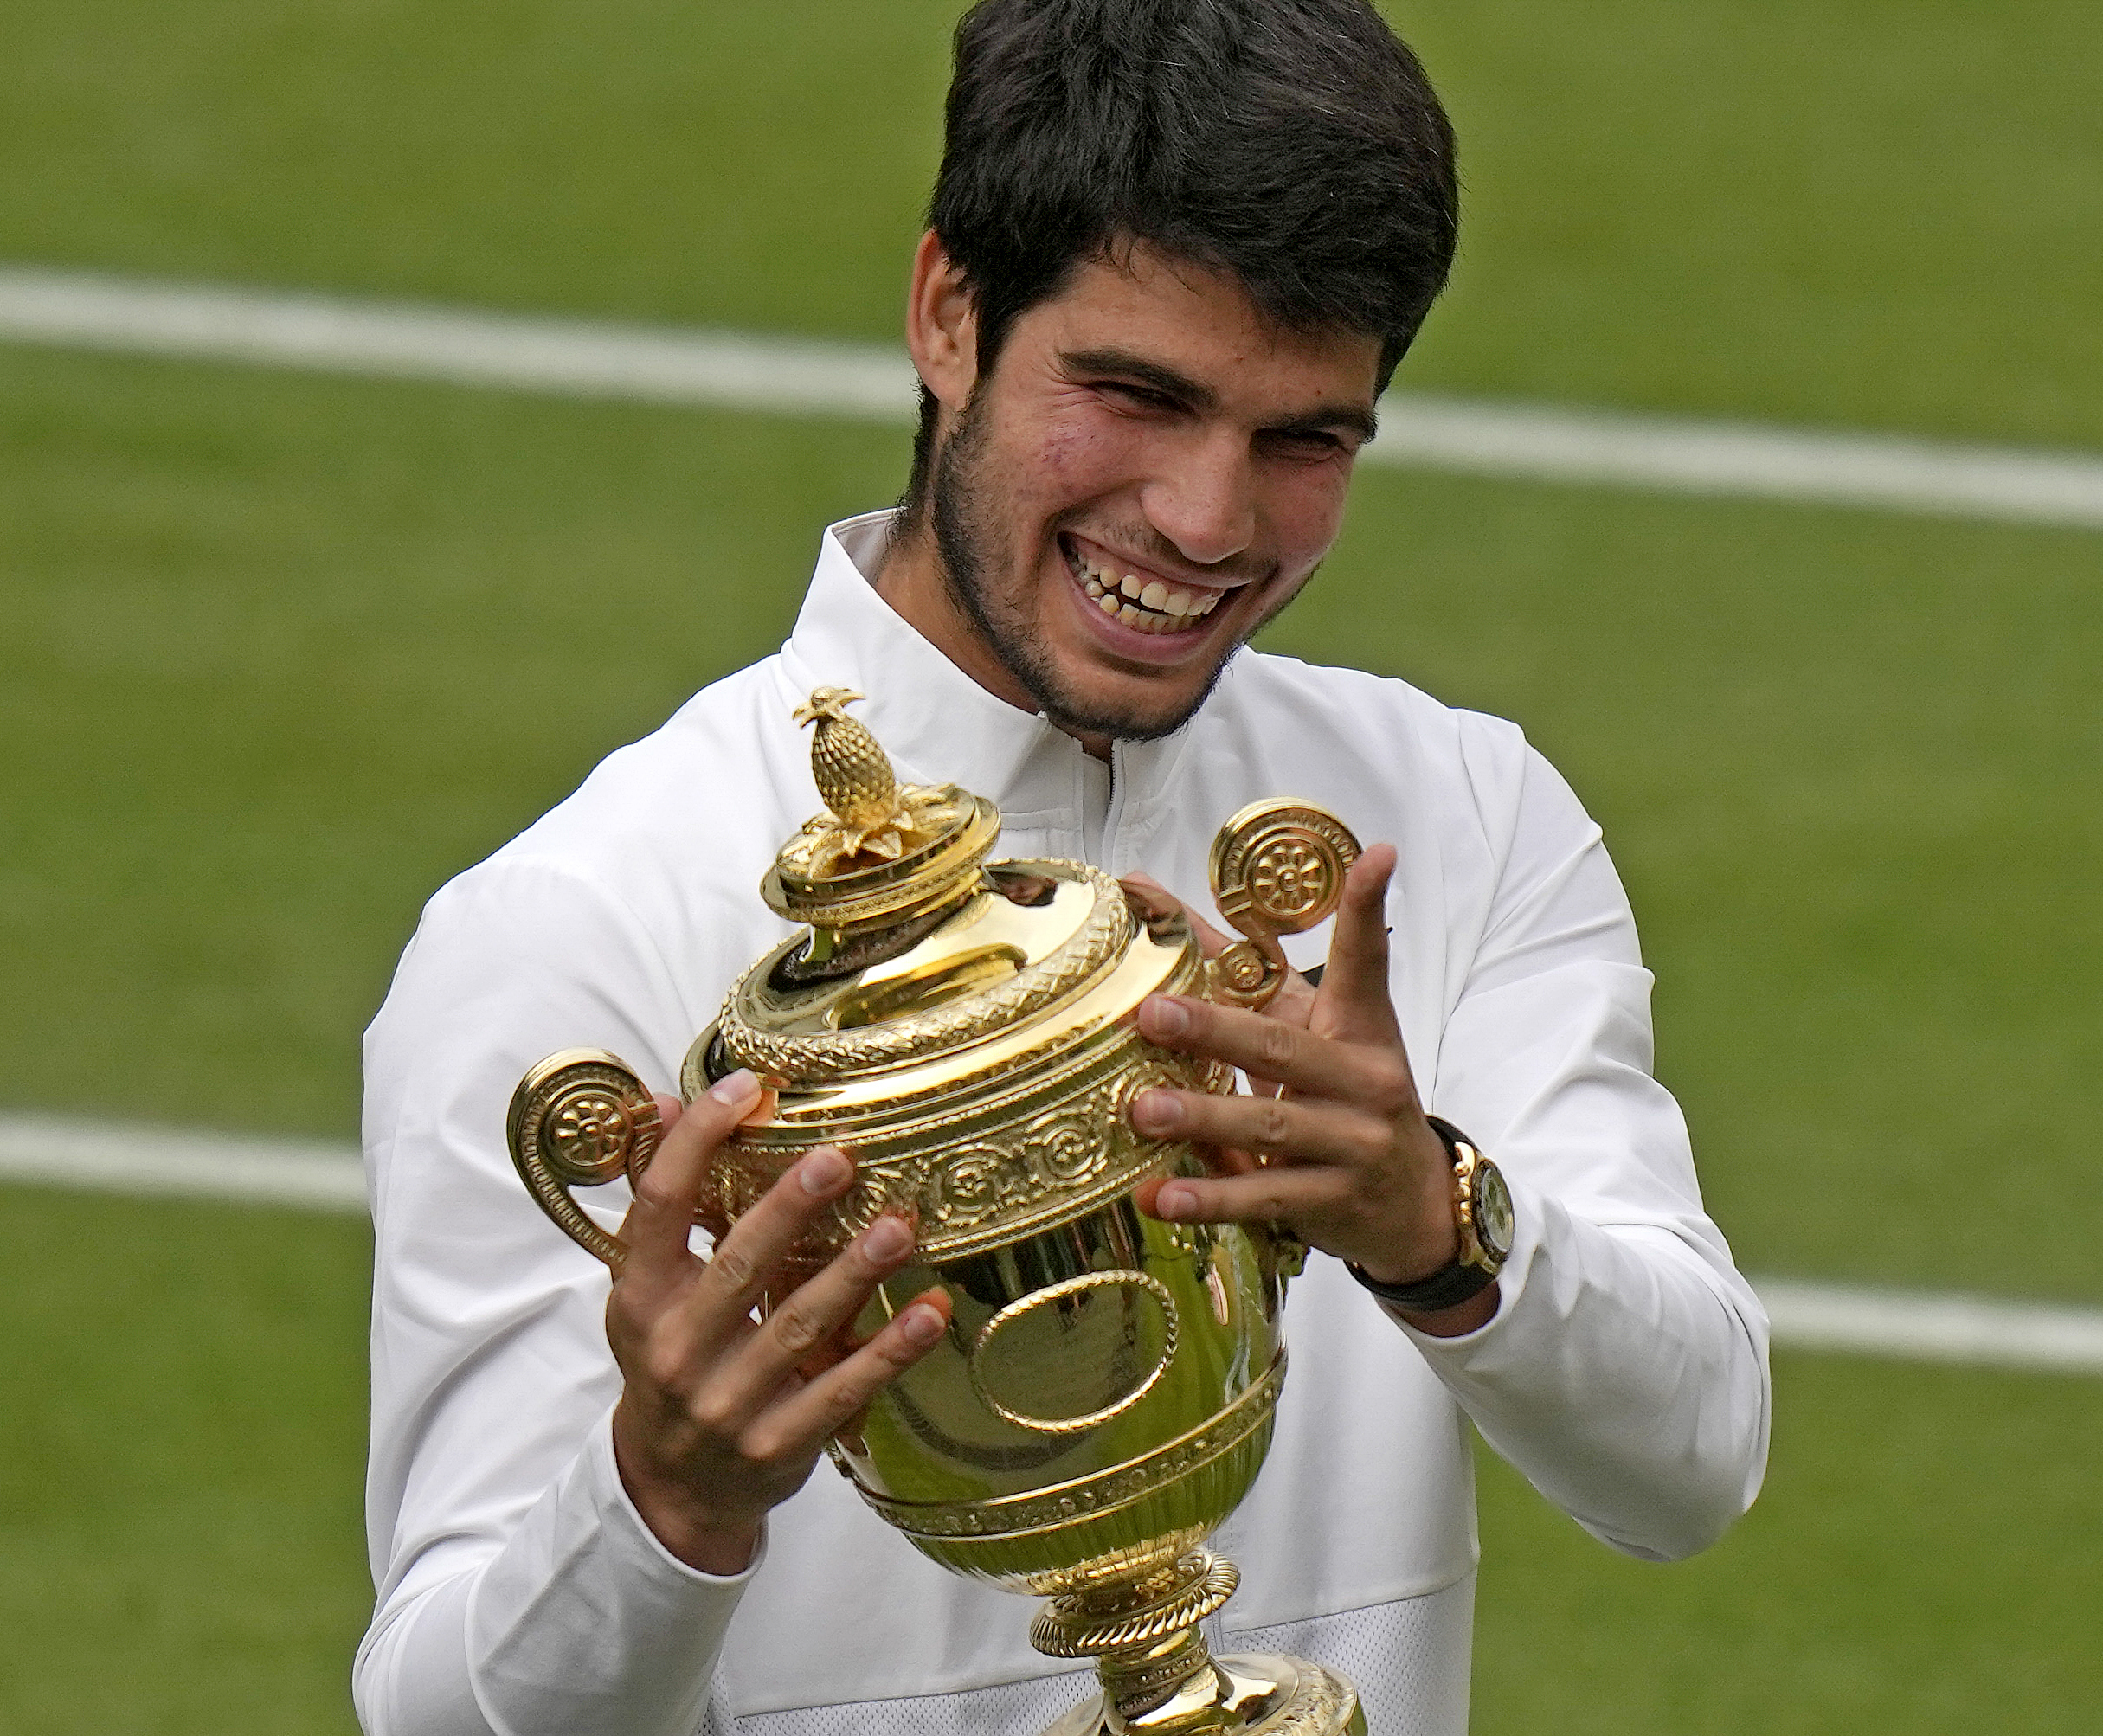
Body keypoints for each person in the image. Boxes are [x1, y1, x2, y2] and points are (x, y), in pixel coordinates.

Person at [353, 2, 1771, 1732]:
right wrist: (665, 1505)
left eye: (1302, 438)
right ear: (947, 311)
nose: (1204, 520)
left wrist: (1438, 1218)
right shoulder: (576, 923)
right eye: (1134, 396)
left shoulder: (1453, 816)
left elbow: (1692, 1462)